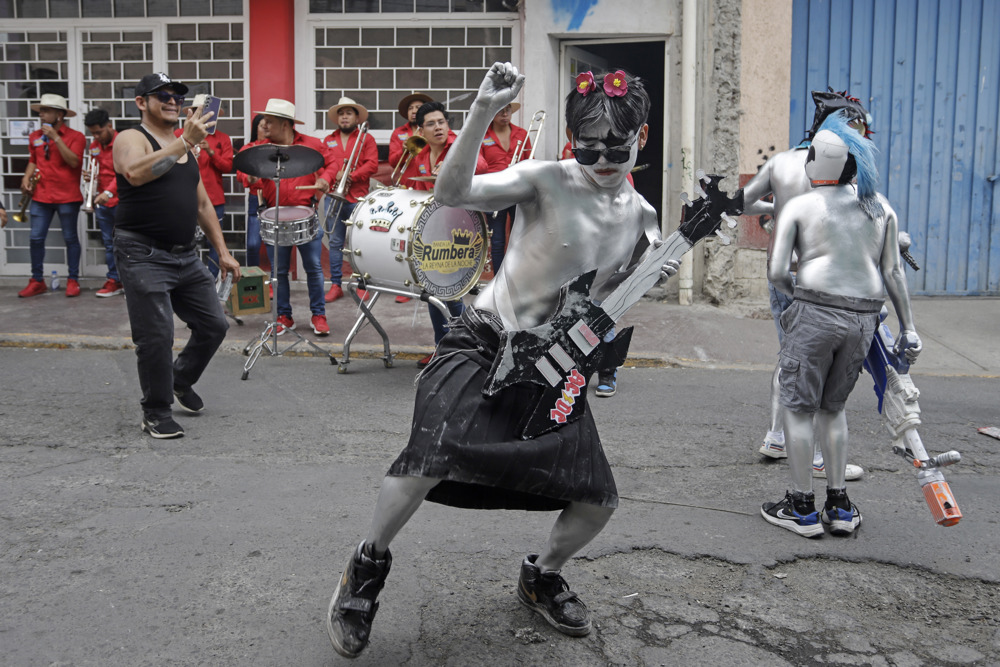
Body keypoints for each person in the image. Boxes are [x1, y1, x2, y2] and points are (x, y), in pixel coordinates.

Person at [326, 63, 678, 658]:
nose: (603, 160)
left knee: (595, 501)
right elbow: (451, 193)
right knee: (426, 460)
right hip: (483, 342)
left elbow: (605, 295)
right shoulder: (545, 180)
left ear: (641, 137)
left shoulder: (643, 217)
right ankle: (366, 567)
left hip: (555, 365)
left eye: (617, 146)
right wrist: (483, 111)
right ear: (572, 143)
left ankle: (540, 575)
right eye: (589, 148)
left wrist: (652, 279)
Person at [761, 111, 921, 537]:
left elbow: (778, 272)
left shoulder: (800, 205)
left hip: (815, 308)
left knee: (798, 407)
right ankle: (840, 505)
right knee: (833, 409)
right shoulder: (881, 207)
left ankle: (800, 507)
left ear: (821, 162)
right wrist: (908, 328)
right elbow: (893, 274)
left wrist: (799, 306)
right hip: (865, 316)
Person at [743, 89, 872, 481]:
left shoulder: (781, 162)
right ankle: (817, 457)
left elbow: (742, 203)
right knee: (816, 367)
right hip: (825, 281)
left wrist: (777, 208)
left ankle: (777, 437)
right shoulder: (847, 166)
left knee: (791, 356)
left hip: (783, 273)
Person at [112, 72, 240, 439]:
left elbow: (202, 203)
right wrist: (184, 141)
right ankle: (155, 411)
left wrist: (223, 252)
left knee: (214, 325)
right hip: (142, 253)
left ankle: (179, 379)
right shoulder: (130, 137)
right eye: (162, 95)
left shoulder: (184, 146)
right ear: (142, 102)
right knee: (155, 337)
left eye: (177, 96)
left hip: (186, 255)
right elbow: (135, 172)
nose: (172, 101)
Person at [235, 98, 336, 336]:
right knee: (278, 272)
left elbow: (333, 162)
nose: (264, 125)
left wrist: (326, 179)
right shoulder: (259, 149)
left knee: (313, 268)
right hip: (274, 215)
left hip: (306, 214)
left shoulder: (311, 144)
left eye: (270, 122)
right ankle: (283, 316)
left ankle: (318, 315)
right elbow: (244, 170)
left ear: (285, 125)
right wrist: (248, 178)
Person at [400, 100, 489, 366]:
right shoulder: (420, 155)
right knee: (432, 289)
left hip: (458, 229)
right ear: (421, 131)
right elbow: (412, 187)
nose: (438, 128)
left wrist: (454, 167)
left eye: (441, 122)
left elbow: (482, 166)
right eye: (431, 124)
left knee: (451, 291)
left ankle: (462, 346)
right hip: (431, 230)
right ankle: (443, 346)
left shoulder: (458, 147)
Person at [19, 94, 86, 298]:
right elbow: (34, 160)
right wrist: (26, 177)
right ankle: (37, 280)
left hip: (67, 196)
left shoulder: (76, 137)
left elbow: (74, 162)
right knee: (36, 238)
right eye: (41, 111)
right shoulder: (35, 136)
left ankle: (72, 280)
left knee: (70, 238)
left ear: (59, 115)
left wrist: (56, 138)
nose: (41, 115)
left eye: (46, 111)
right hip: (41, 196)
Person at [322, 97, 378, 303]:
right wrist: (332, 175)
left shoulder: (366, 139)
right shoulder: (328, 140)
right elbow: (323, 164)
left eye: (349, 113)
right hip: (334, 197)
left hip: (357, 197)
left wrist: (350, 176)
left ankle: (362, 283)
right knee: (335, 242)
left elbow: (372, 164)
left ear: (356, 117)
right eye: (341, 113)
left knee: (359, 242)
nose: (344, 117)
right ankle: (335, 285)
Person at [173, 97, 233, 278]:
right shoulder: (177, 135)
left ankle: (213, 282)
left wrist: (211, 152)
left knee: (214, 243)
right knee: (182, 241)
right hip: (182, 198)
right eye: (199, 112)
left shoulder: (222, 138)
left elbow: (227, 167)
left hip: (213, 198)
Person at [480, 101, 531, 273]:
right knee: (497, 239)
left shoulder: (522, 134)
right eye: (500, 111)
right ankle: (498, 278)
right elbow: (479, 166)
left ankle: (516, 274)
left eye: (507, 110)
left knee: (519, 237)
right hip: (494, 191)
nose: (504, 114)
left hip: (518, 191)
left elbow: (529, 162)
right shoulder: (483, 135)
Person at [83, 108, 123, 297]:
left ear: (109, 126)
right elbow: (96, 169)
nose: (96, 136)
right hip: (102, 202)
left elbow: (123, 172)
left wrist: (109, 191)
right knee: (109, 244)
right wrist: (90, 177)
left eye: (98, 132)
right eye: (92, 133)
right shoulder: (94, 147)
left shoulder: (123, 143)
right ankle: (114, 280)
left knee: (128, 243)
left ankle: (130, 281)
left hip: (122, 200)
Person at [388, 91, 433, 170]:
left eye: (418, 107)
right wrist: (403, 151)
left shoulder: (434, 129)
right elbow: (392, 163)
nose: (414, 111)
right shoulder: (398, 132)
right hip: (406, 181)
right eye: (410, 108)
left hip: (428, 180)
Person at [243, 114, 265, 268]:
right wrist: (249, 178)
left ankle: (272, 280)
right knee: (252, 244)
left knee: (275, 245)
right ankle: (253, 277)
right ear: (255, 128)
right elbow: (240, 174)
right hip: (255, 199)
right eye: (262, 125)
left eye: (268, 125)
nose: (266, 128)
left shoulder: (276, 148)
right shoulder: (248, 149)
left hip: (273, 199)